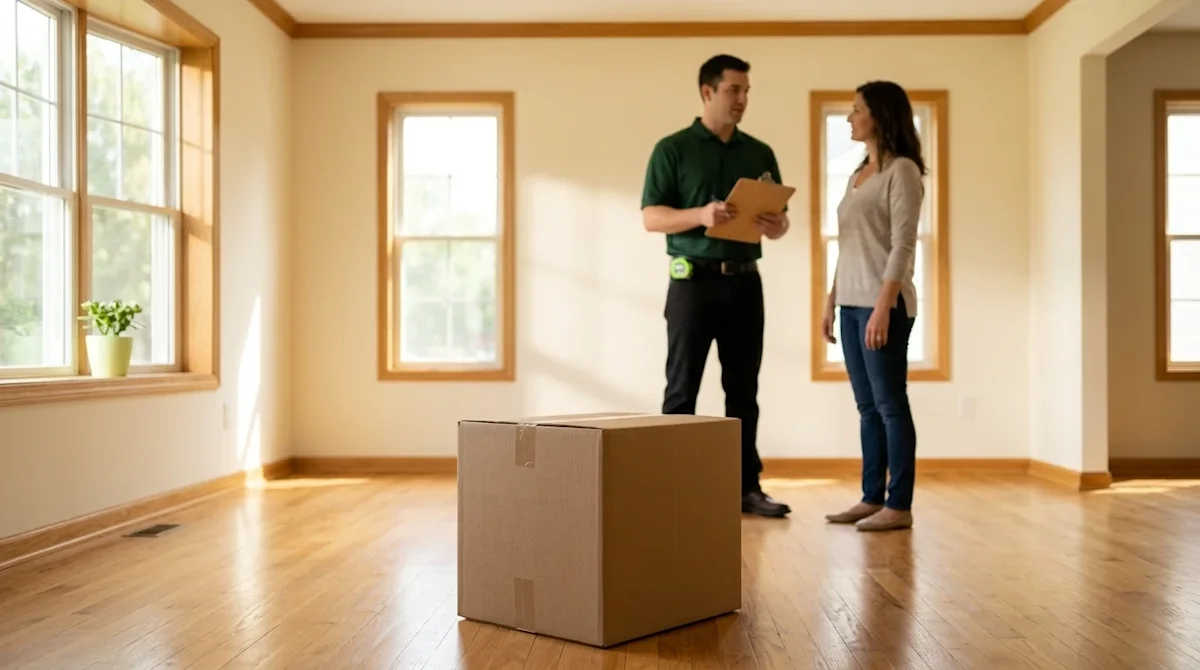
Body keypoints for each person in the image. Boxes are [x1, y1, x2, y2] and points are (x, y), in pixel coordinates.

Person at [639, 54, 791, 518]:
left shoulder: (759, 152)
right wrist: (701, 216)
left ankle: (747, 488)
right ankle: (671, 491)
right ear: (708, 93)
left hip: (745, 284)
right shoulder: (673, 149)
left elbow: (781, 226)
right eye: (734, 91)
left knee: (743, 391)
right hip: (692, 285)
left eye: (746, 91)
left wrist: (775, 223)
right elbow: (651, 217)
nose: (742, 99)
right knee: (681, 390)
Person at [822, 81, 925, 532]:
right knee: (867, 407)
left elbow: (902, 246)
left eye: (857, 109)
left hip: (884, 306)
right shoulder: (858, 174)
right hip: (849, 304)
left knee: (889, 404)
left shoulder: (901, 171)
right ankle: (871, 498)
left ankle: (898, 505)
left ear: (879, 116)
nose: (850, 117)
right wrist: (831, 301)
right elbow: (848, 247)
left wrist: (883, 307)